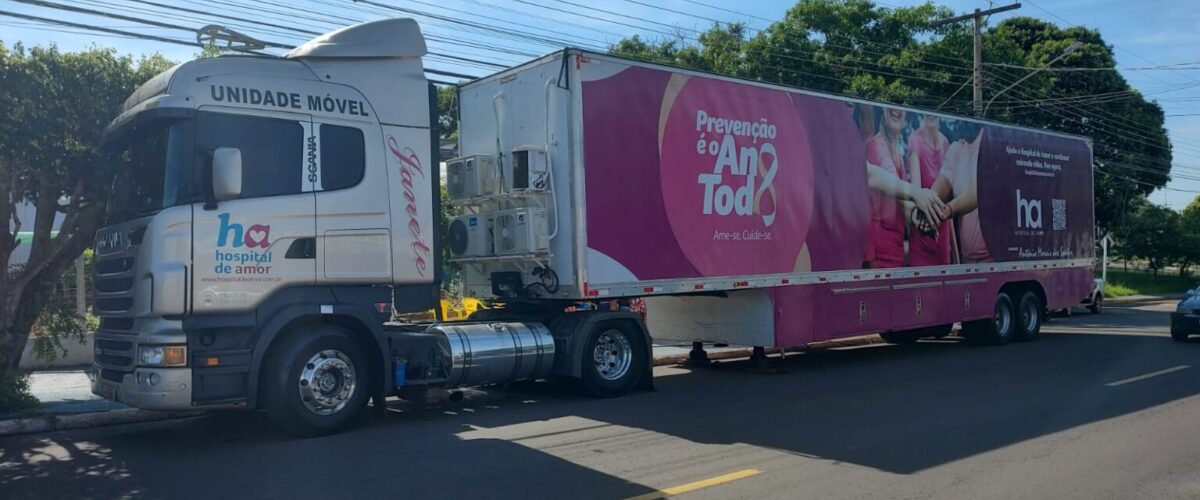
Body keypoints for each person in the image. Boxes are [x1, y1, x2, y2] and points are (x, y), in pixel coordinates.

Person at [864, 107, 947, 268]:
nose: (897, 109)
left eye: (901, 106)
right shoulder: (876, 144)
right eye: (891, 105)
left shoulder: (897, 150)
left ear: (906, 118)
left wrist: (916, 216)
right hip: (879, 249)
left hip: (896, 247)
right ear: (883, 111)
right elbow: (889, 178)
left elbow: (900, 200)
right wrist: (918, 194)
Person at [930, 125, 993, 263]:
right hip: (967, 259)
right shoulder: (957, 148)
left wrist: (947, 210)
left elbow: (980, 188)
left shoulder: (991, 142)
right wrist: (929, 203)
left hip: (994, 258)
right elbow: (945, 180)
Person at [906, 114, 952, 266]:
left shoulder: (945, 142)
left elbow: (948, 194)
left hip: (942, 236)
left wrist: (954, 250)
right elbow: (916, 190)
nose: (932, 114)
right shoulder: (915, 139)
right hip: (922, 233)